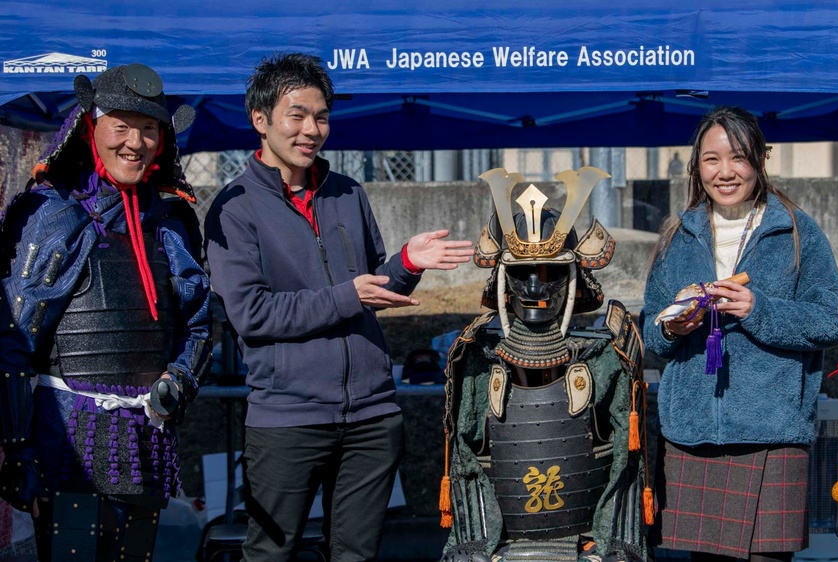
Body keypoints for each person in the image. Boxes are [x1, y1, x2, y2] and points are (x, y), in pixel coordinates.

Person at [203, 52, 474, 562]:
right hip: (287, 417)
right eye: (297, 115)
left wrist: (409, 261)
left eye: (321, 116)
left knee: (356, 554)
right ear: (260, 121)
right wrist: (347, 295)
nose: (312, 129)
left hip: (372, 413)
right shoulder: (233, 208)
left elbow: (375, 284)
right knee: (270, 554)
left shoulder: (347, 192)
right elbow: (252, 315)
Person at [0, 63, 212, 561]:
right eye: (122, 126)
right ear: (91, 126)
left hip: (146, 442)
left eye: (149, 129)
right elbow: (14, 339)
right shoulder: (51, 214)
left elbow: (199, 324)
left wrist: (179, 379)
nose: (135, 142)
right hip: (66, 444)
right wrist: (17, 446)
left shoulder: (172, 222)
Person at [641, 106, 838, 562]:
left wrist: (760, 309)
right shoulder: (678, 234)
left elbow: (832, 320)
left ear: (759, 159)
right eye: (712, 159)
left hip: (771, 430)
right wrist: (672, 326)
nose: (725, 172)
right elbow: (651, 334)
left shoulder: (796, 231)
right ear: (697, 166)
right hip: (692, 433)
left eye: (738, 157)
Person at [440, 167, 649, 561]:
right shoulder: (475, 359)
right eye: (522, 274)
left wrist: (613, 549)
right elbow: (466, 468)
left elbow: (626, 467)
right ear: (503, 278)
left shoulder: (607, 357)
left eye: (550, 273)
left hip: (587, 547)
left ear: (572, 278)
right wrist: (476, 547)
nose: (535, 288)